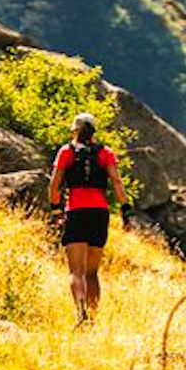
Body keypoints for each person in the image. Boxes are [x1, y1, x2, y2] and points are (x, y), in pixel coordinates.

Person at [47, 112, 131, 323]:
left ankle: (80, 312)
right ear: (94, 131)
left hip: (76, 212)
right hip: (99, 214)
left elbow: (54, 185)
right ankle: (92, 318)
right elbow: (117, 182)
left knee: (77, 271)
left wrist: (56, 210)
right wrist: (125, 209)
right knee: (92, 272)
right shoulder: (106, 153)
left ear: (74, 130)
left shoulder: (66, 152)